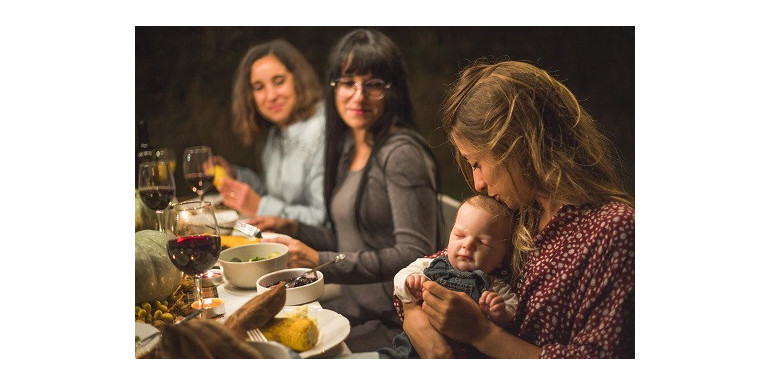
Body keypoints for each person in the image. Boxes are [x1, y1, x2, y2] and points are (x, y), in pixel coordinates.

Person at [399, 60, 635, 359]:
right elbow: (441, 265)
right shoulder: (520, 210)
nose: (478, 183)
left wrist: (481, 333)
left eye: (477, 163)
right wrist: (413, 313)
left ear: (517, 147)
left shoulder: (613, 231)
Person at [249, 29, 440, 352]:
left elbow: (414, 253)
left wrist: (319, 259)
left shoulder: (401, 154)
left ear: (392, 90)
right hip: (354, 310)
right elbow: (352, 240)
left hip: (394, 323)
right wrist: (293, 227)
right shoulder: (353, 147)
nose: (358, 95)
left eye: (374, 84)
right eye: (348, 82)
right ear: (334, 86)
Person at [383, 194, 517, 358]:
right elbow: (401, 277)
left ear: (503, 257)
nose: (467, 245)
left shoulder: (495, 286)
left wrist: (500, 313)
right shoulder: (431, 264)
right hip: (407, 350)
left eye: (484, 243)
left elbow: (512, 310)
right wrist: (410, 281)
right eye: (460, 235)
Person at [213, 39, 327, 226]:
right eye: (259, 87)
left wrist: (260, 206)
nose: (271, 96)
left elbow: (323, 219)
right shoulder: (277, 132)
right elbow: (272, 193)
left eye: (279, 82)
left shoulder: (323, 129)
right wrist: (235, 175)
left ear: (298, 79)